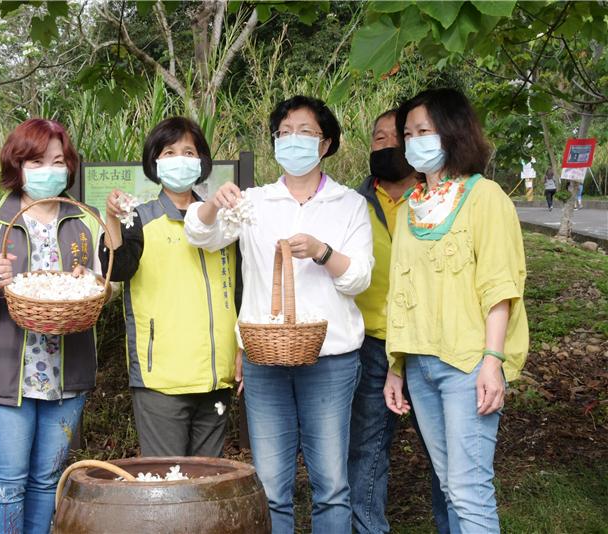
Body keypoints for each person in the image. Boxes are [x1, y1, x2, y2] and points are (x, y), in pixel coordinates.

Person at [185, 96, 373, 533]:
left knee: (331, 483)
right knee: (270, 485)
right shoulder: (255, 202)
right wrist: (214, 203)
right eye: (284, 132)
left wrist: (324, 253)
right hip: (265, 358)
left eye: (305, 132)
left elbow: (359, 277)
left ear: (325, 144)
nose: (293, 141)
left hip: (331, 358)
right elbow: (201, 235)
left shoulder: (349, 205)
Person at [384, 88, 529, 533]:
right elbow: (401, 290)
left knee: (469, 489)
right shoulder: (411, 206)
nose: (414, 141)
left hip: (468, 364)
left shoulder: (485, 197)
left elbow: (500, 286)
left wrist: (492, 361)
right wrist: (396, 367)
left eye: (424, 130)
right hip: (422, 364)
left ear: (452, 132)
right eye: (407, 133)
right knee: (450, 485)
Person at [0, 119, 101, 534]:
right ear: (17, 165)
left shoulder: (83, 221)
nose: (49, 169)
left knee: (45, 482)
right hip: (3, 372)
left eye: (58, 160)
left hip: (66, 373)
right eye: (36, 160)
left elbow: (101, 284)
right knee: (5, 484)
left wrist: (90, 287)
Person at [98, 117, 237, 458]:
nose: (179, 158)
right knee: (167, 482)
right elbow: (118, 269)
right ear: (155, 163)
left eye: (188, 151)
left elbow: (241, 291)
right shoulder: (140, 219)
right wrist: (113, 219)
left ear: (202, 161)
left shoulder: (224, 222)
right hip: (161, 378)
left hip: (217, 376)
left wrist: (241, 351)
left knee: (208, 482)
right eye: (169, 151)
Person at [349, 109, 449, 534]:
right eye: (378, 138)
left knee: (447, 454)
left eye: (398, 136)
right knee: (368, 450)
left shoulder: (439, 201)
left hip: (432, 341)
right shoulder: (350, 203)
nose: (387, 144)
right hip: (373, 344)